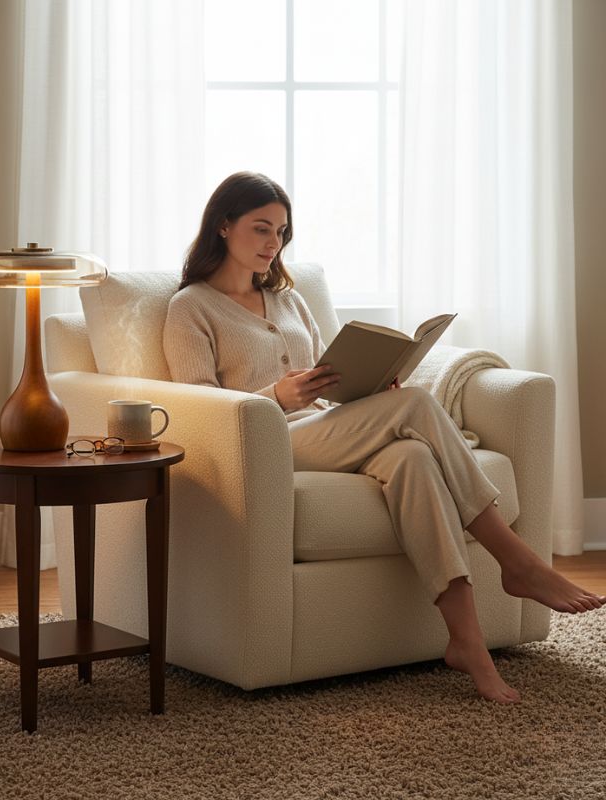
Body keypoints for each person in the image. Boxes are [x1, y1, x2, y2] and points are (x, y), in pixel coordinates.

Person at [162, 170, 605, 704]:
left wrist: (370, 387)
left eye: (281, 232)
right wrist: (278, 397)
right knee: (416, 405)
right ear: (223, 226)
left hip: (326, 430)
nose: (273, 244)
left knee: (414, 455)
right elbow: (200, 408)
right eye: (261, 229)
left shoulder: (289, 301)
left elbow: (327, 380)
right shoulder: (191, 308)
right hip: (267, 447)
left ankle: (468, 644)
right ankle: (517, 559)